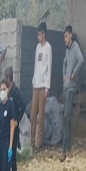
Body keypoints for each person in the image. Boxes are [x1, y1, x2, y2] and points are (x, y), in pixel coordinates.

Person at [61, 26, 85, 162]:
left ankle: (67, 149)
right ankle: (65, 150)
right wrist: (64, 73)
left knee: (66, 117)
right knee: (65, 119)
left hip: (71, 88)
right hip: (65, 87)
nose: (64, 39)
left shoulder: (75, 46)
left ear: (70, 35)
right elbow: (64, 62)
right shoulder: (67, 49)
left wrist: (74, 73)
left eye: (66, 36)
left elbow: (81, 60)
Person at [31, 21, 52, 152]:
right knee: (33, 114)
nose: (38, 37)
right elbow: (35, 66)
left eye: (39, 34)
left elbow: (48, 67)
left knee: (40, 115)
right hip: (36, 84)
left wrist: (47, 87)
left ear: (43, 34)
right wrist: (33, 81)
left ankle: (39, 142)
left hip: (43, 85)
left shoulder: (48, 48)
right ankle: (32, 142)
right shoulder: (37, 47)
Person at [4, 67, 25, 171]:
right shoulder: (8, 92)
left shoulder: (16, 92)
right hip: (7, 128)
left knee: (13, 159)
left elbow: (22, 106)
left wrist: (17, 120)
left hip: (14, 128)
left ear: (8, 79)